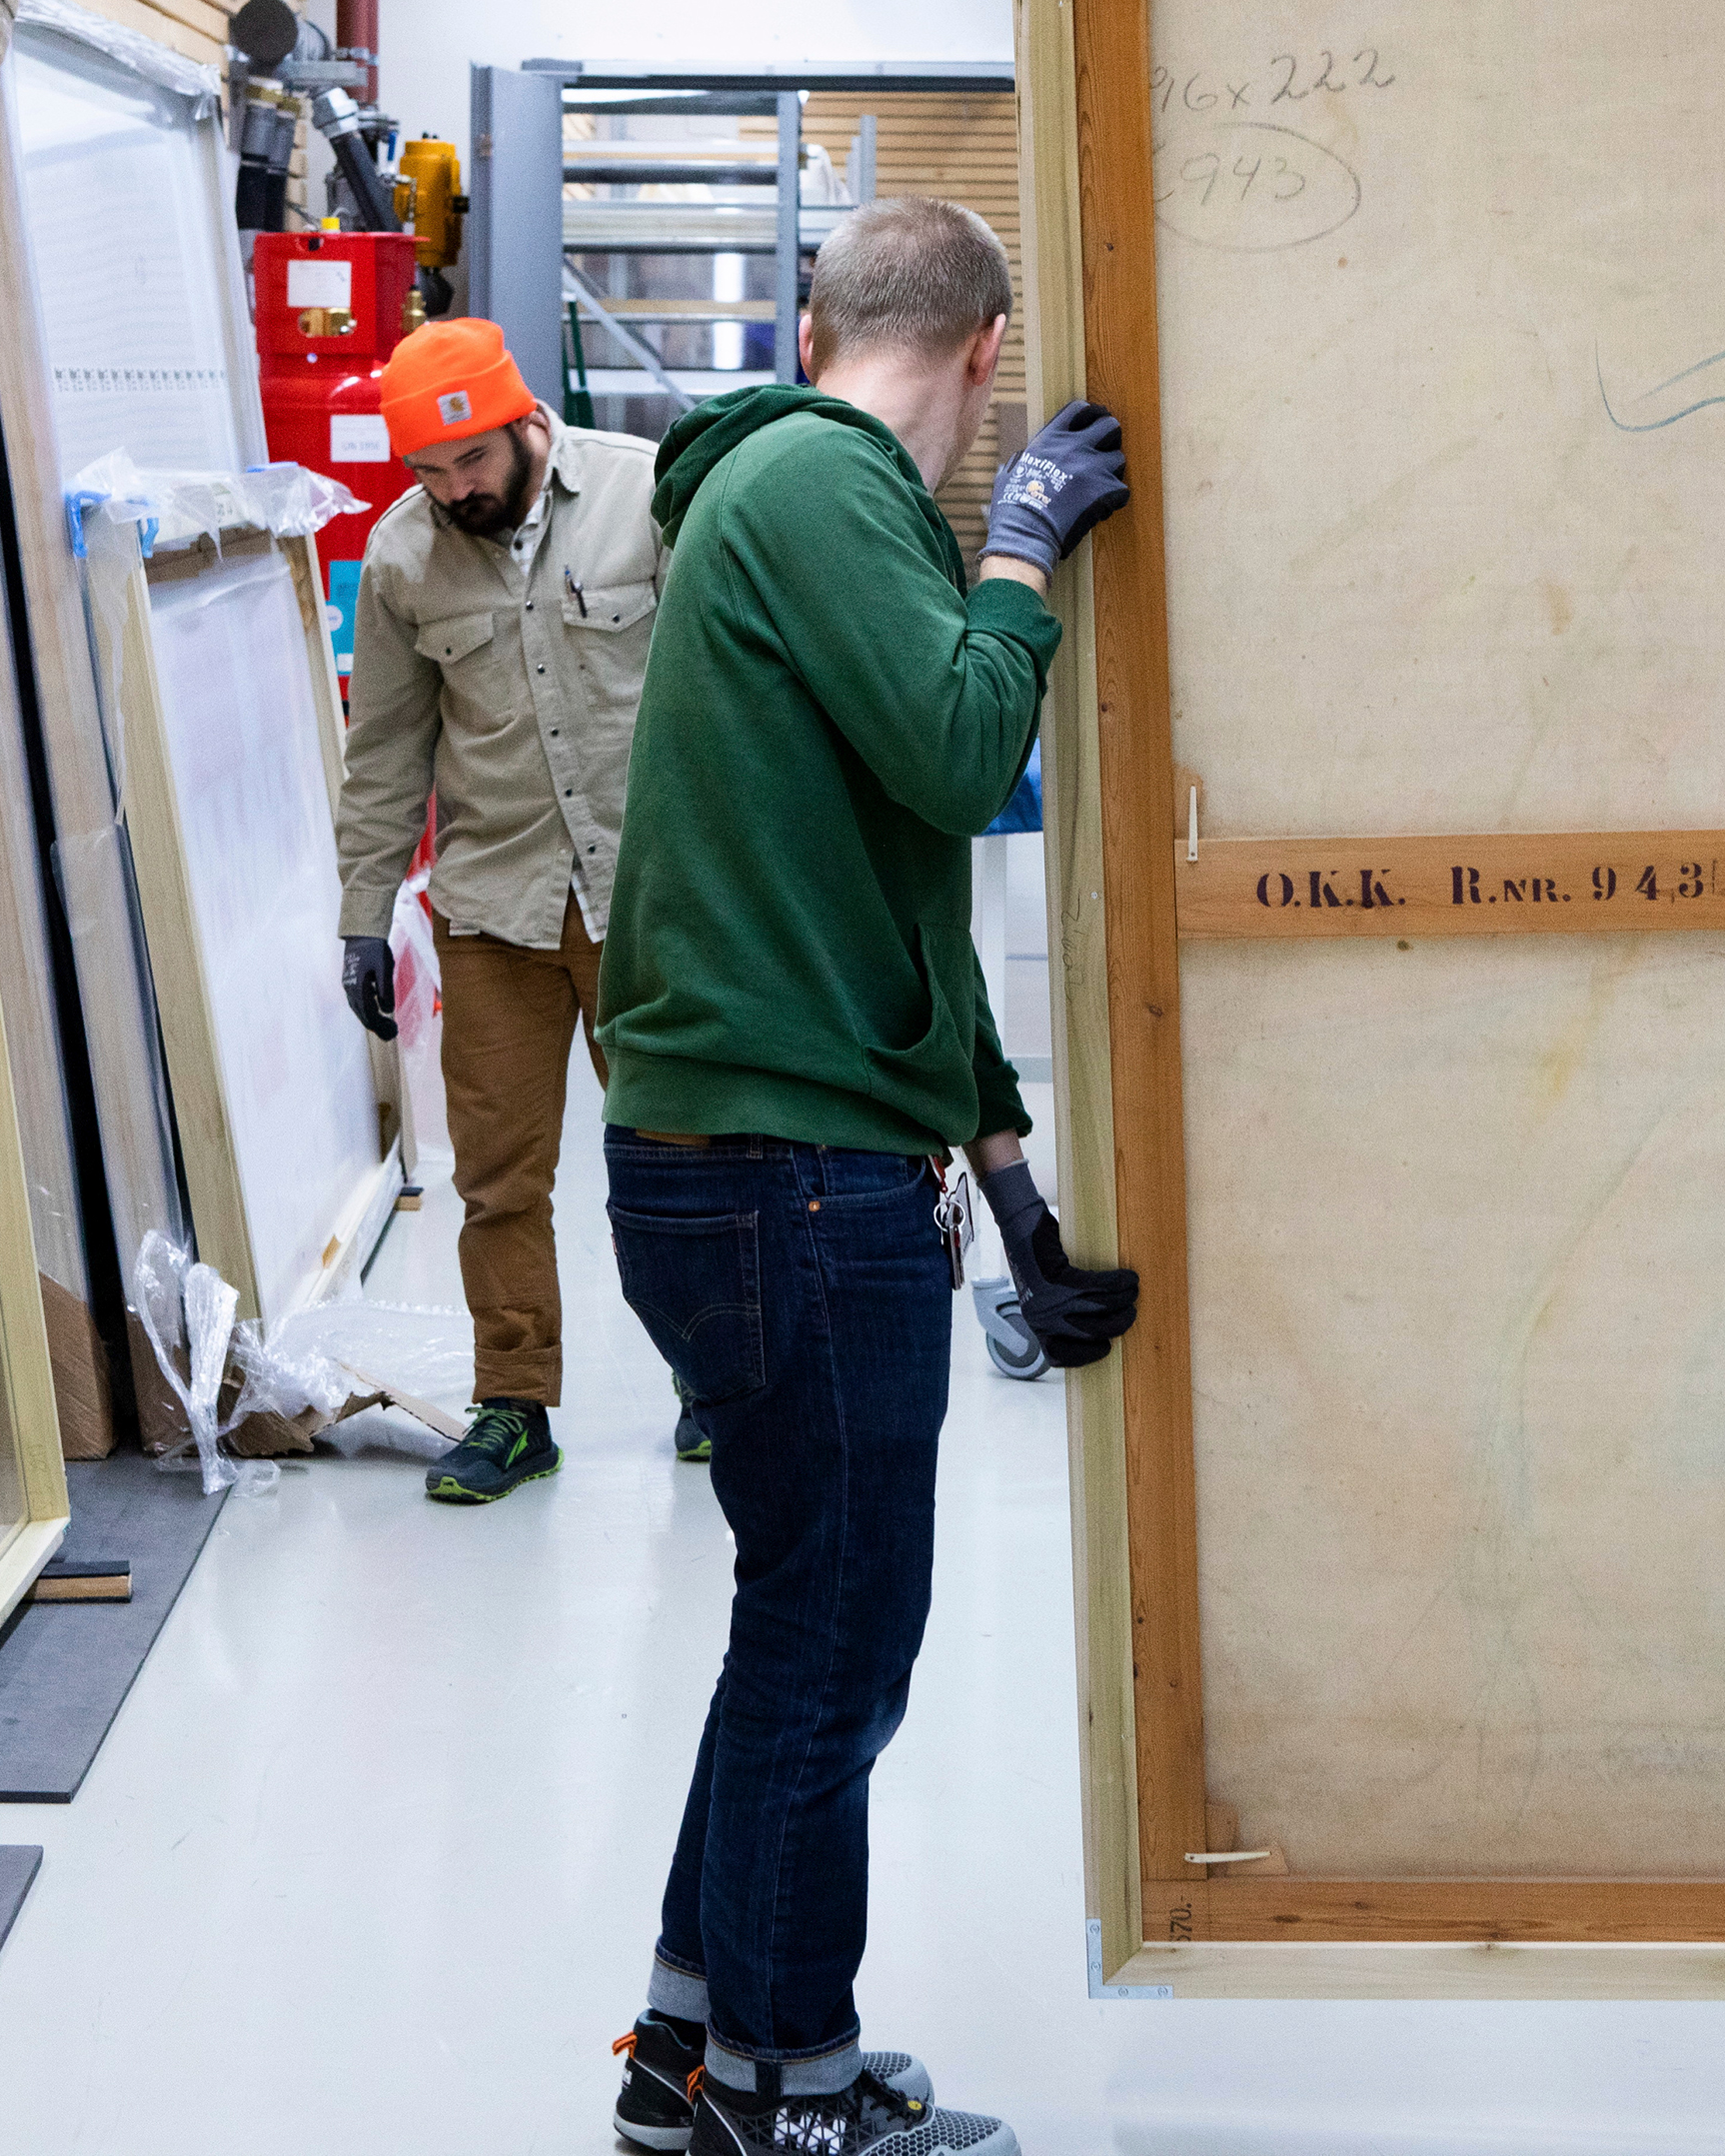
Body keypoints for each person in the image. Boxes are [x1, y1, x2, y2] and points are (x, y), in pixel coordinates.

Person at [594, 198, 1140, 2156]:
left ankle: (689, 2055)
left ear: (818, 311)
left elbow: (897, 905)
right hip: (778, 1180)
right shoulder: (826, 490)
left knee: (788, 1632)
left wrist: (1009, 1190)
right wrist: (1021, 562)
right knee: (836, 1654)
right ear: (985, 355)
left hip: (761, 1162)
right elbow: (953, 749)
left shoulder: (808, 509)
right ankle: (782, 2098)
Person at [333, 317, 687, 1503]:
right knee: (496, 1177)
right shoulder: (400, 560)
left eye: (470, 462)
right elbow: (382, 751)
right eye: (428, 474)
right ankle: (513, 1405)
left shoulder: (646, 497)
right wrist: (361, 914)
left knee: (680, 1155)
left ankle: (717, 1385)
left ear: (523, 419)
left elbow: (729, 682)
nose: (453, 490)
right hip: (495, 908)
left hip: (647, 898)